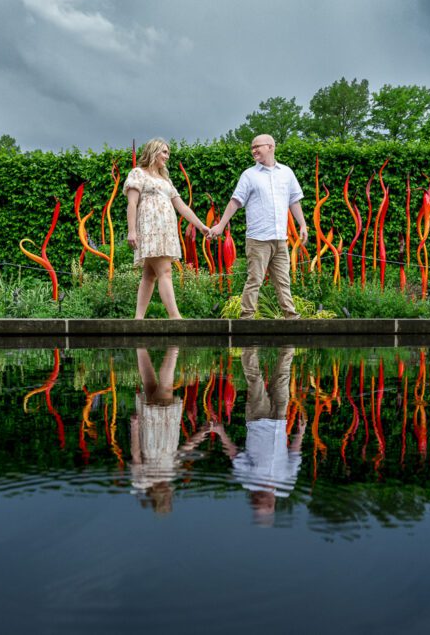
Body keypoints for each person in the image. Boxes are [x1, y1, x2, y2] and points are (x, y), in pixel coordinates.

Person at [208, 134, 308, 319]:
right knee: (255, 279)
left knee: (283, 281)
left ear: (270, 147)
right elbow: (235, 201)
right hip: (257, 239)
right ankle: (247, 317)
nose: (253, 150)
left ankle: (291, 317)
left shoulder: (287, 173)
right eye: (252, 147)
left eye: (257, 147)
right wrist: (221, 225)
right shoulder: (249, 175)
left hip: (280, 239)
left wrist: (302, 224)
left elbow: (294, 200)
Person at [211, 346, 306, 526]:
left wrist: (220, 431)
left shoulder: (249, 482)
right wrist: (300, 433)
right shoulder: (286, 483)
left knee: (255, 380)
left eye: (259, 504)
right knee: (283, 377)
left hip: (257, 420)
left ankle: (249, 346)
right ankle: (288, 344)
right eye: (266, 504)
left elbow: (235, 455)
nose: (263, 500)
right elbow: (294, 456)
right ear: (272, 503)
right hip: (279, 419)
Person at [125, 138, 210, 319]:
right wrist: (131, 230)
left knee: (149, 275)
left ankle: (138, 319)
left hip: (166, 231)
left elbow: (182, 207)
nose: (167, 156)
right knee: (165, 271)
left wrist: (201, 226)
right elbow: (132, 203)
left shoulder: (165, 180)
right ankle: (175, 318)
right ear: (153, 151)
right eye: (164, 152)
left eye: (168, 153)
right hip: (150, 229)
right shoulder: (138, 173)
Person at [130, 347, 213, 514]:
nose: (170, 494)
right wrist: (202, 433)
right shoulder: (171, 475)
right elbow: (183, 451)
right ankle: (145, 343)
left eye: (166, 498)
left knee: (161, 386)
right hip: (168, 428)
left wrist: (134, 427)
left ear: (157, 496)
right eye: (169, 498)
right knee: (152, 384)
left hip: (152, 433)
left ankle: (173, 347)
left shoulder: (143, 481)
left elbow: (136, 455)